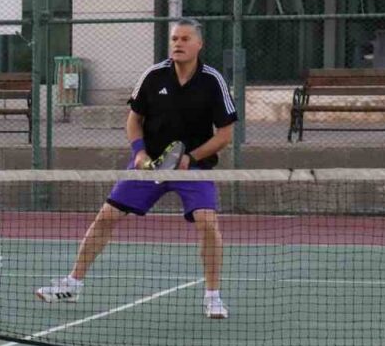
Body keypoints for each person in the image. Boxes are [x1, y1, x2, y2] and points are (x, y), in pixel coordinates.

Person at [35, 19, 237, 319]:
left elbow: (225, 135)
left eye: (184, 39)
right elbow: (133, 120)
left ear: (198, 45)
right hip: (148, 165)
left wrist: (190, 159)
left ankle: (212, 296)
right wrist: (139, 153)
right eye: (174, 39)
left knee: (207, 223)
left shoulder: (212, 81)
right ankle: (72, 283)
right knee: (107, 217)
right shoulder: (153, 76)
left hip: (192, 169)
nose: (178, 44)